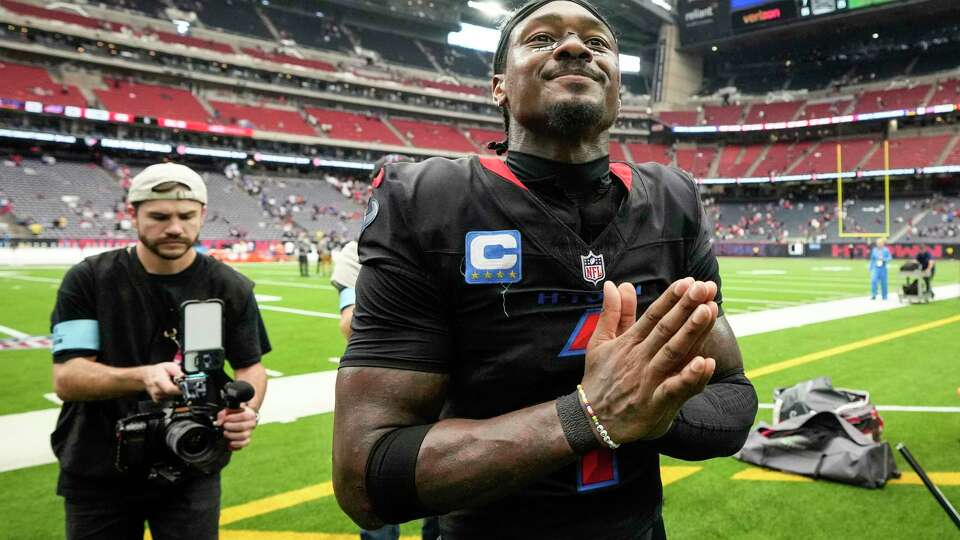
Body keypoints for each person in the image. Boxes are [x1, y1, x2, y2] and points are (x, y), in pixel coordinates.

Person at [332, 2, 757, 538]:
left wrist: (650, 410)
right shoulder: (426, 201)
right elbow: (366, 476)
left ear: (619, 92)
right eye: (541, 39)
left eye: (597, 43)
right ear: (498, 87)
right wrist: (588, 414)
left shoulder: (673, 200)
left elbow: (735, 399)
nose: (575, 47)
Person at [50, 162, 271, 540]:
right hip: (99, 467)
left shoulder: (229, 286)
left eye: (186, 216)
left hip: (191, 459)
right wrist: (143, 376)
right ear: (132, 214)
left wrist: (246, 410)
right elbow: (68, 378)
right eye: (159, 216)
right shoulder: (88, 279)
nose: (174, 227)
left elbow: (252, 367)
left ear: (202, 215)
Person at [331, 239, 440, 540]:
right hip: (376, 399)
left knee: (441, 507)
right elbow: (350, 322)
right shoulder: (358, 250)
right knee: (375, 502)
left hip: (440, 398)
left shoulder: (439, 240)